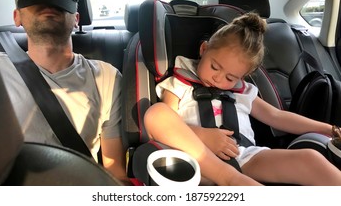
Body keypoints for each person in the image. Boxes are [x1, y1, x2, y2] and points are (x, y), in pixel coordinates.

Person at [144, 12, 341, 186]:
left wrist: (328, 129)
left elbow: (277, 117)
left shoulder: (243, 91)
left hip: (244, 156)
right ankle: (229, 179)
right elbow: (166, 125)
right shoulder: (179, 84)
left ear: (243, 76)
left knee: (310, 159)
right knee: (157, 113)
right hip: (196, 157)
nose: (218, 79)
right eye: (214, 67)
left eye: (230, 78)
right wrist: (201, 136)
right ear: (203, 50)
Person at [0, 0, 130, 184]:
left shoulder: (106, 77)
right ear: (16, 17)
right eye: (36, 1)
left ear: (76, 20)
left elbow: (114, 170)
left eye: (59, 3)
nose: (48, 6)